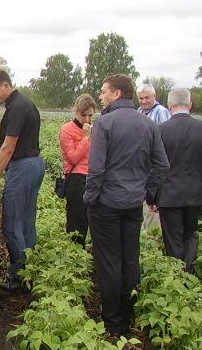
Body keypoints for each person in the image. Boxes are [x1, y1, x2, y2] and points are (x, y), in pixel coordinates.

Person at [84, 74, 169, 336]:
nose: (101, 96)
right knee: (130, 259)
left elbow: (96, 168)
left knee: (109, 261)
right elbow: (162, 165)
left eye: (104, 92)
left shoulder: (105, 123)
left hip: (106, 204)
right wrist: (146, 191)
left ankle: (113, 322)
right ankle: (129, 314)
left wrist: (90, 197)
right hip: (133, 204)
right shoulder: (148, 124)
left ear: (117, 93)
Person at [0, 69, 45, 293]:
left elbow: (8, 147)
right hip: (35, 164)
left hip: (23, 167)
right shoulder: (24, 103)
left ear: (6, 85)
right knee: (27, 222)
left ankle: (18, 278)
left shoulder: (17, 107)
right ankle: (29, 271)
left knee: (11, 224)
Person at [150, 89, 202, 271]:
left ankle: (177, 274)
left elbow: (155, 166)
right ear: (190, 105)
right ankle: (188, 272)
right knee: (191, 232)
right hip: (196, 194)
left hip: (169, 194)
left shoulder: (161, 130)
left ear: (169, 106)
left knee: (172, 237)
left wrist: (151, 197)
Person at [59, 94, 97, 247]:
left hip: (93, 176)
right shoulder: (67, 130)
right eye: (83, 115)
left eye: (90, 115)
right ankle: (76, 251)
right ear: (76, 112)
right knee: (77, 220)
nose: (87, 119)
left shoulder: (97, 129)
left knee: (94, 219)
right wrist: (86, 137)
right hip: (76, 178)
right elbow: (73, 158)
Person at [137, 84, 171, 231]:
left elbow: (163, 144)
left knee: (153, 214)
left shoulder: (160, 112)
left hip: (154, 169)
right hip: (141, 169)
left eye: (147, 98)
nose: (144, 101)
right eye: (141, 98)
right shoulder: (139, 112)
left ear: (154, 97)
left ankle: (152, 245)